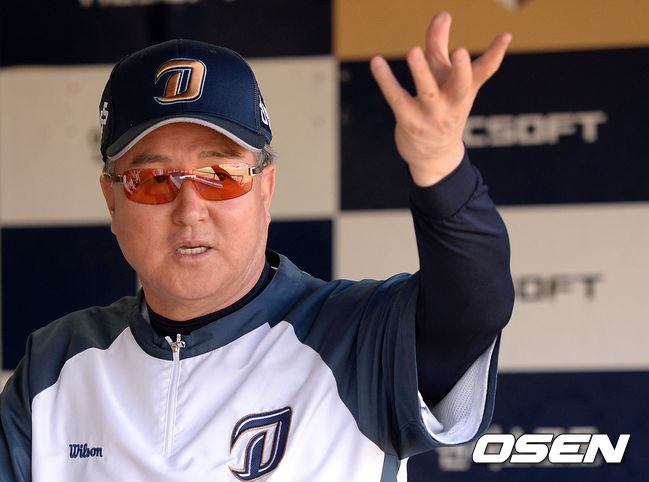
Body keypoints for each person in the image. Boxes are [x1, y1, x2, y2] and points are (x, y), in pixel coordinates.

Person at [0, 11, 514, 481]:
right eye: (154, 180)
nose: (190, 209)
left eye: (220, 175)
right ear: (113, 202)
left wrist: (441, 169)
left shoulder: (357, 337)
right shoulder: (55, 363)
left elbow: (475, 308)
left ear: (265, 190)